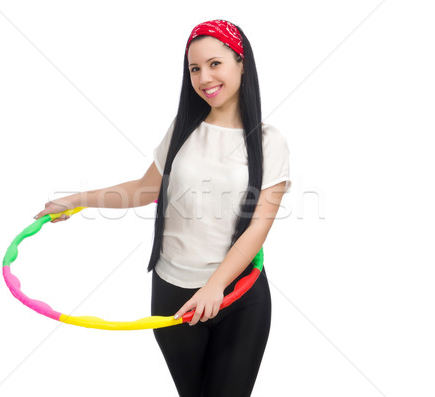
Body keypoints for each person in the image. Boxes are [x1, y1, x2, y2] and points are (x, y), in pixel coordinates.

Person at [34, 19, 291, 397]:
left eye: (215, 63)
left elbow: (259, 226)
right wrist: (75, 201)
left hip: (238, 298)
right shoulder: (183, 128)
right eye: (195, 68)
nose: (204, 77)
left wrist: (215, 286)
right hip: (173, 293)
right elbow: (143, 190)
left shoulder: (270, 141)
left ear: (241, 63)